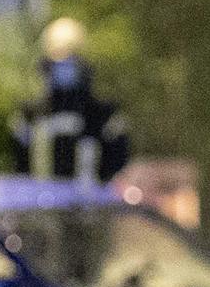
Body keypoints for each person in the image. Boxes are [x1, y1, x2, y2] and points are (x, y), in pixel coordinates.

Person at [11, 18, 131, 185]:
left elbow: (118, 171)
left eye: (70, 62)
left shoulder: (103, 114)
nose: (63, 69)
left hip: (93, 208)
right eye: (58, 63)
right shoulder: (31, 115)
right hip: (39, 207)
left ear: (83, 64)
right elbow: (20, 171)